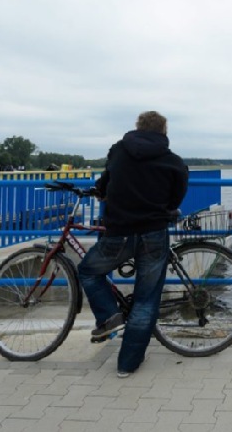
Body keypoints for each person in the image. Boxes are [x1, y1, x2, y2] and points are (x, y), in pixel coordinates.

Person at [78, 111, 189, 378]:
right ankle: (127, 364)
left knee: (88, 271)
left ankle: (109, 316)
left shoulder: (119, 151)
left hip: (119, 232)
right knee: (146, 299)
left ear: (138, 127)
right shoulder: (173, 161)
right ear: (164, 131)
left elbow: (106, 182)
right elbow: (176, 197)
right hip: (153, 232)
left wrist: (103, 191)